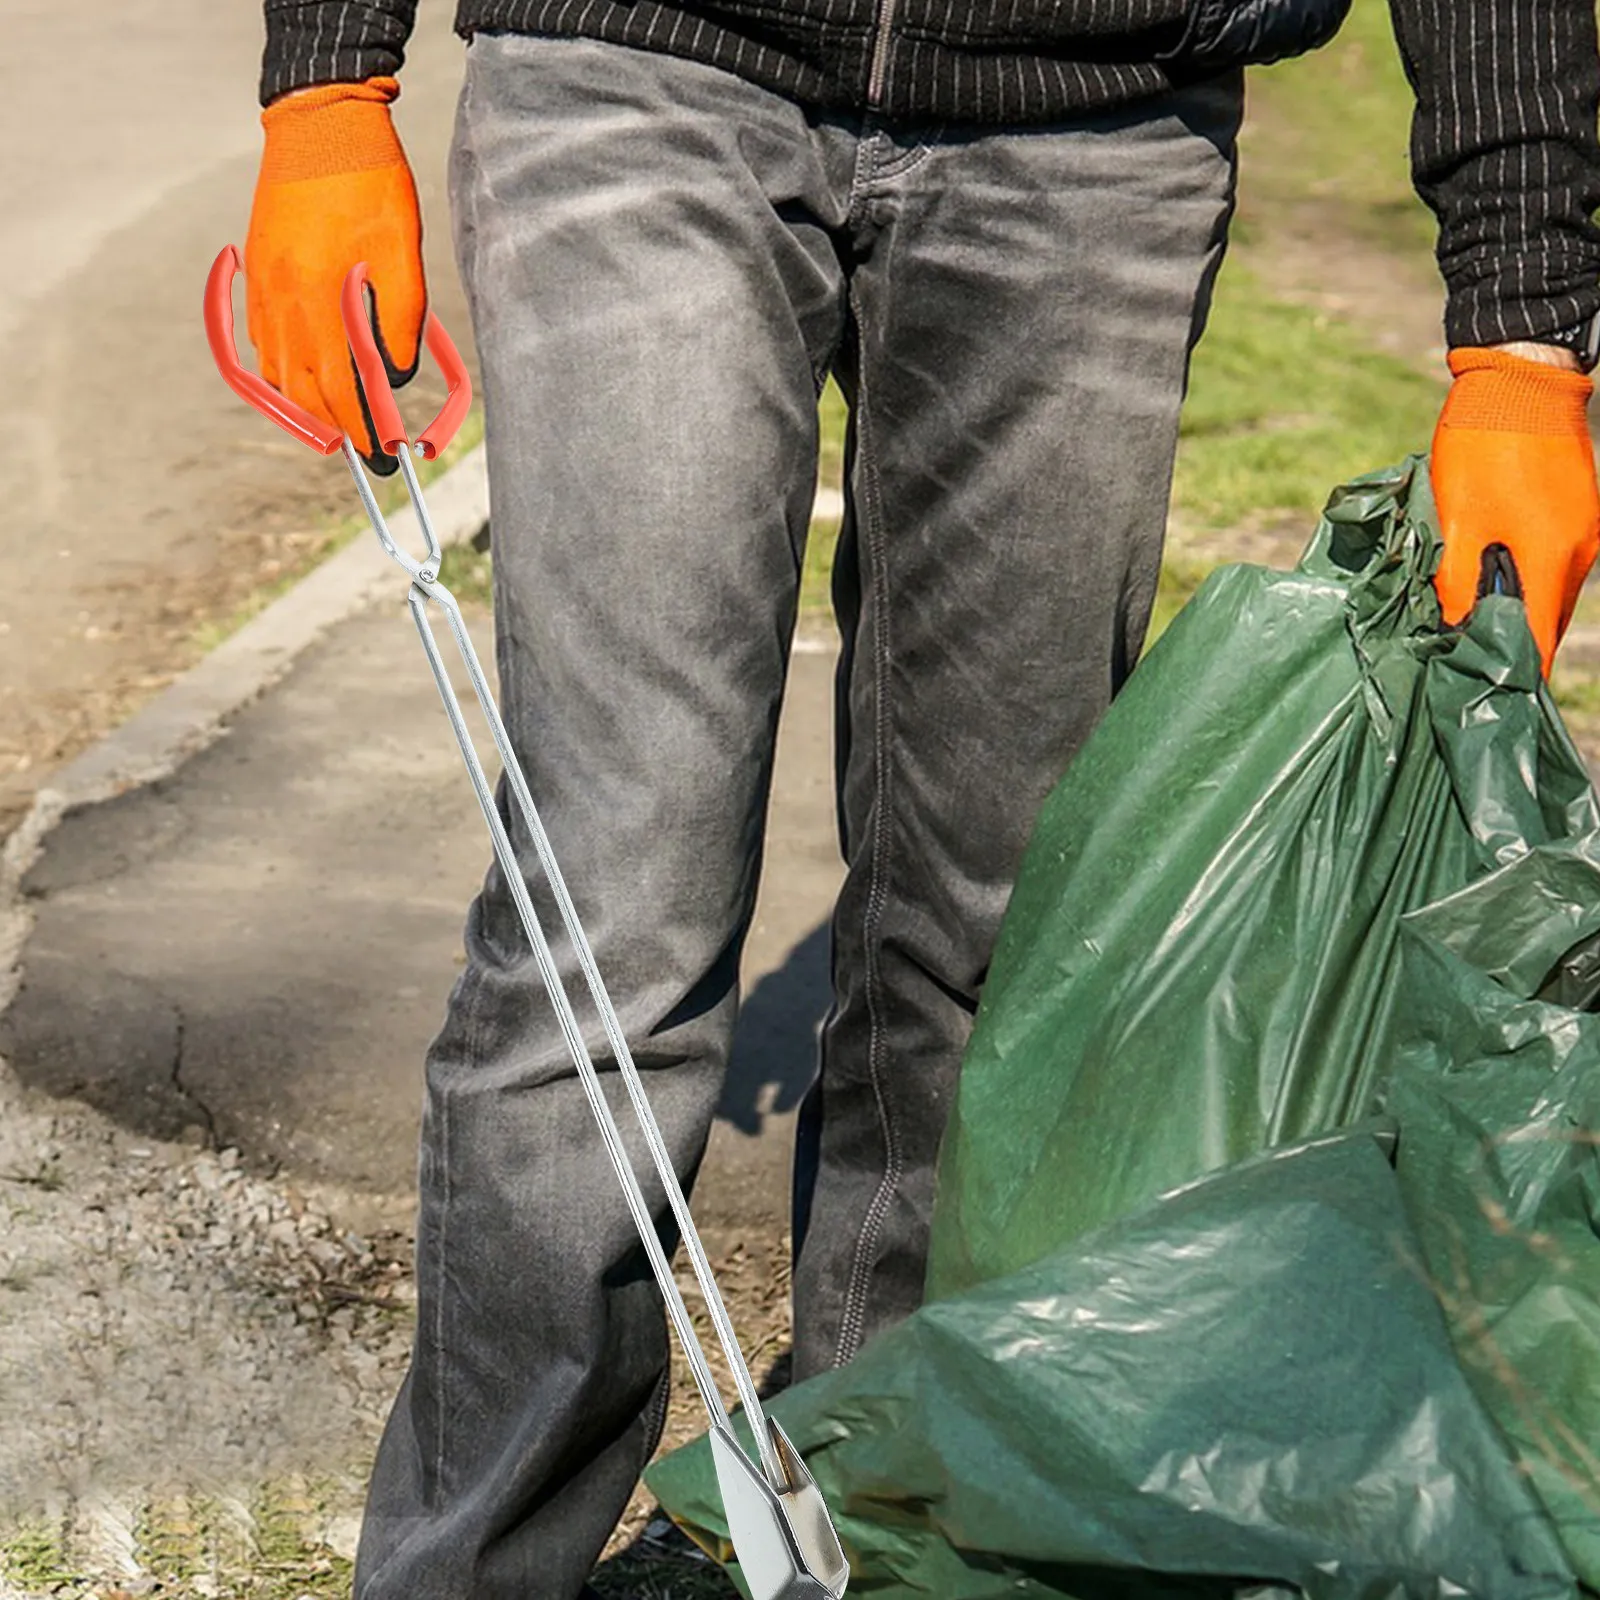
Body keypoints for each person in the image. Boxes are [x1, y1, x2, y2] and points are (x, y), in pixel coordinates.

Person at [242, 2, 1600, 1596]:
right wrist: (328, 86)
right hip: (646, 60)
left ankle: (875, 1535)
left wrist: (1521, 336)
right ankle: (473, 1568)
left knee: (981, 953)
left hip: (1093, 126)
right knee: (607, 922)